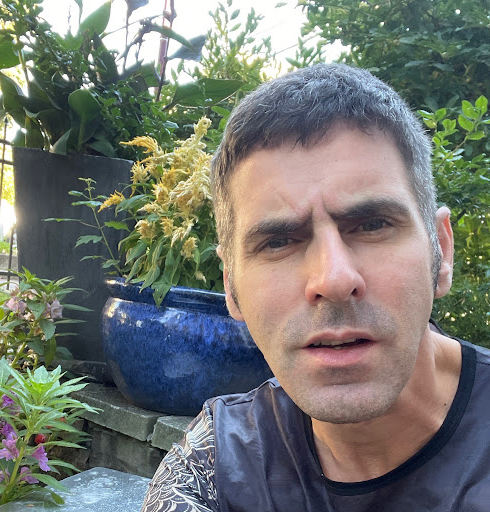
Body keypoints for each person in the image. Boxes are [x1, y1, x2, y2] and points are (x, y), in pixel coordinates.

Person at [141, 64, 490, 511]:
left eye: (372, 225)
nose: (334, 279)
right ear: (231, 285)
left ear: (440, 250)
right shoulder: (216, 465)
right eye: (278, 241)